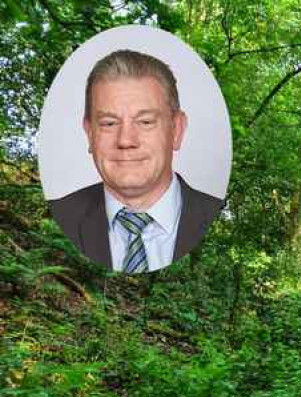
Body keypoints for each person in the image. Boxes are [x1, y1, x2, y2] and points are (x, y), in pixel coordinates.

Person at [49, 49, 223, 273]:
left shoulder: (217, 221)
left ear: (177, 130)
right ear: (90, 133)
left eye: (146, 121)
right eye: (109, 123)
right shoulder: (57, 216)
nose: (126, 140)